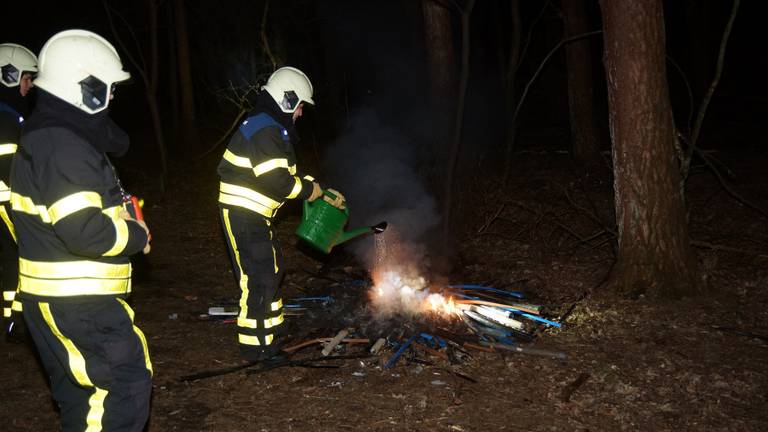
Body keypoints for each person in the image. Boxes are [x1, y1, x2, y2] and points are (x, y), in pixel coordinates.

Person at [10, 29, 152, 431]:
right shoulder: (62, 143)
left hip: (67, 303)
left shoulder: (57, 135)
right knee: (122, 391)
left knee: (86, 400)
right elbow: (84, 231)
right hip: (78, 305)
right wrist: (136, 236)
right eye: (107, 89)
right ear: (87, 88)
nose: (111, 99)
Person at [217, 66, 345, 362]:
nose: (300, 113)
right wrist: (307, 191)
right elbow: (276, 181)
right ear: (287, 99)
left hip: (255, 215)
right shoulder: (265, 129)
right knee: (259, 278)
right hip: (244, 213)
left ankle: (270, 336)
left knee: (271, 272)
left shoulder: (270, 128)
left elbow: (284, 173)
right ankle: (257, 349)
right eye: (300, 105)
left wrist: (317, 188)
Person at [0, 42, 37, 342]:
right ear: (9, 76)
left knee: (12, 261)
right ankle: (18, 321)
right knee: (28, 254)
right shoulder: (5, 121)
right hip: (4, 202)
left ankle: (12, 322)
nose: (30, 85)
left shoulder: (11, 115)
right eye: (27, 78)